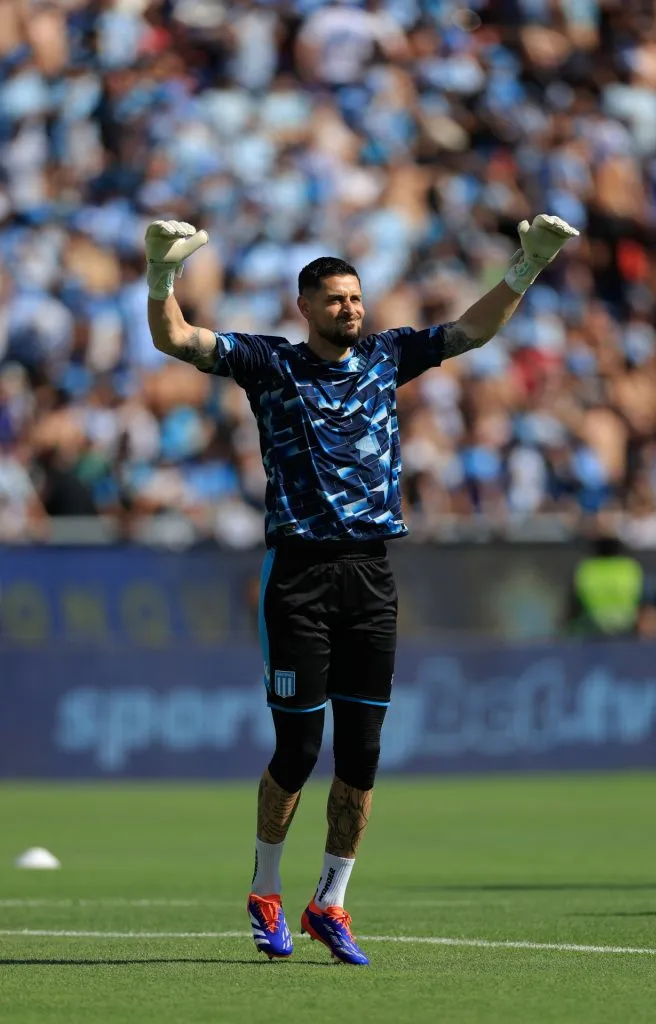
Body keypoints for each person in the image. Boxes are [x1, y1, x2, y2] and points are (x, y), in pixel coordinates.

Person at [145, 213, 579, 965]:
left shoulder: (385, 357)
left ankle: (332, 902)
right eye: (335, 299)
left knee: (364, 755)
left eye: (355, 297)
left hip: (371, 575)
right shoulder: (271, 364)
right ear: (303, 306)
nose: (351, 308)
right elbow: (177, 339)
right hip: (300, 575)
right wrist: (161, 276)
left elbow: (470, 332)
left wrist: (527, 264)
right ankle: (266, 890)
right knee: (297, 748)